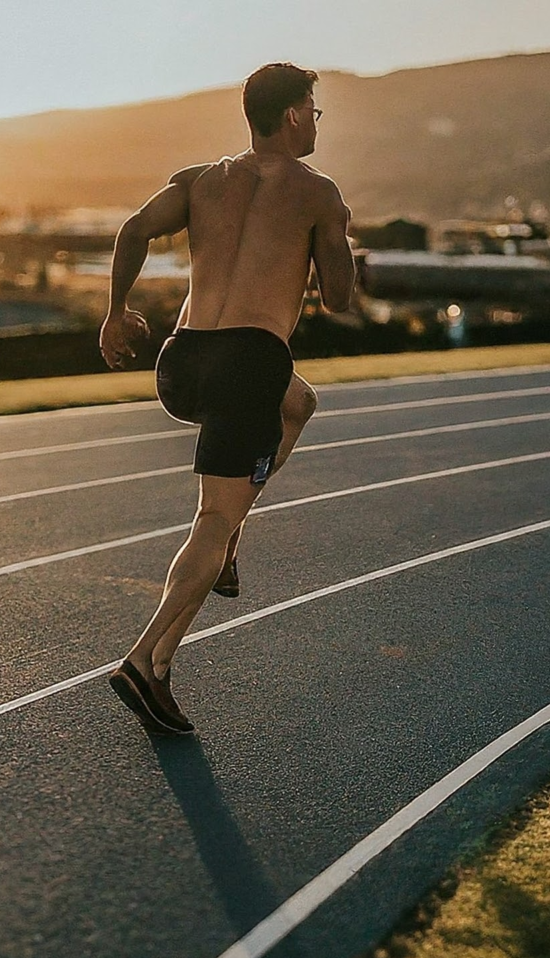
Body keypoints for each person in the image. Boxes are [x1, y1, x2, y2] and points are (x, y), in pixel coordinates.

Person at [99, 62, 355, 734]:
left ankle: (213, 569)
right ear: (295, 114)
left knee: (298, 405)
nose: (317, 122)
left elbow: (132, 230)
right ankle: (142, 657)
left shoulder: (200, 179)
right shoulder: (319, 192)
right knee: (212, 519)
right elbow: (337, 297)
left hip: (182, 361)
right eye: (315, 110)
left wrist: (116, 313)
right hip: (248, 362)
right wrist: (342, 239)